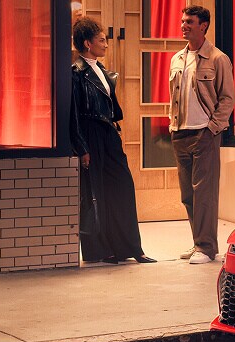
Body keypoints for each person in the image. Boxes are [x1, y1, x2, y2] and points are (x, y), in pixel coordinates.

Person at [68, 17, 154, 265]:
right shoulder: (76, 73)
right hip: (89, 133)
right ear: (87, 43)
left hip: (107, 133)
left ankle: (130, 247)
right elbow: (73, 114)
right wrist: (82, 148)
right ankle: (100, 250)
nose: (106, 44)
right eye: (101, 40)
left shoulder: (102, 70)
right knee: (95, 193)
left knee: (122, 187)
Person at [167, 5, 235, 265]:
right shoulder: (177, 59)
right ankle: (199, 242)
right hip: (180, 132)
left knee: (204, 192)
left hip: (204, 133)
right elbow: (173, 97)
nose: (183, 25)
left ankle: (206, 248)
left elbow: (228, 99)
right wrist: (171, 123)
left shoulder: (218, 58)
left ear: (203, 25)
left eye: (189, 22)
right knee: (188, 194)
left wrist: (212, 129)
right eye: (182, 21)